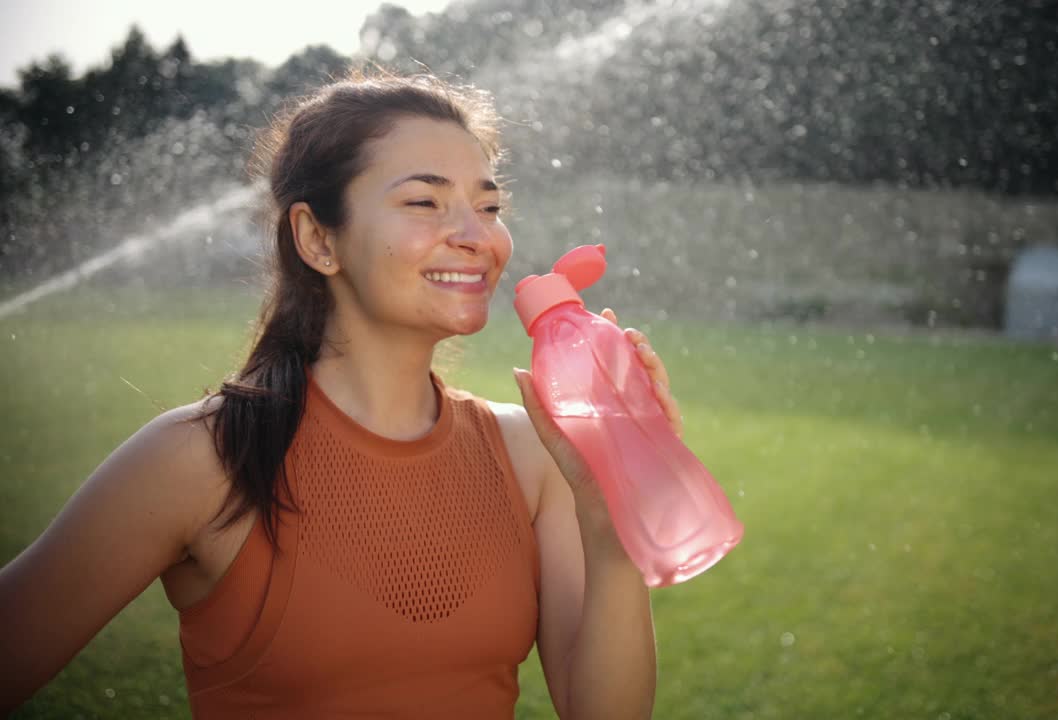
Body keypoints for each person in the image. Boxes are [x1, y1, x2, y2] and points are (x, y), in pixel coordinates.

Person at [0, 69, 681, 718]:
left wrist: (611, 520)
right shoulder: (200, 459)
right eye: (425, 201)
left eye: (489, 204)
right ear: (318, 239)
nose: (478, 236)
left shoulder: (534, 454)